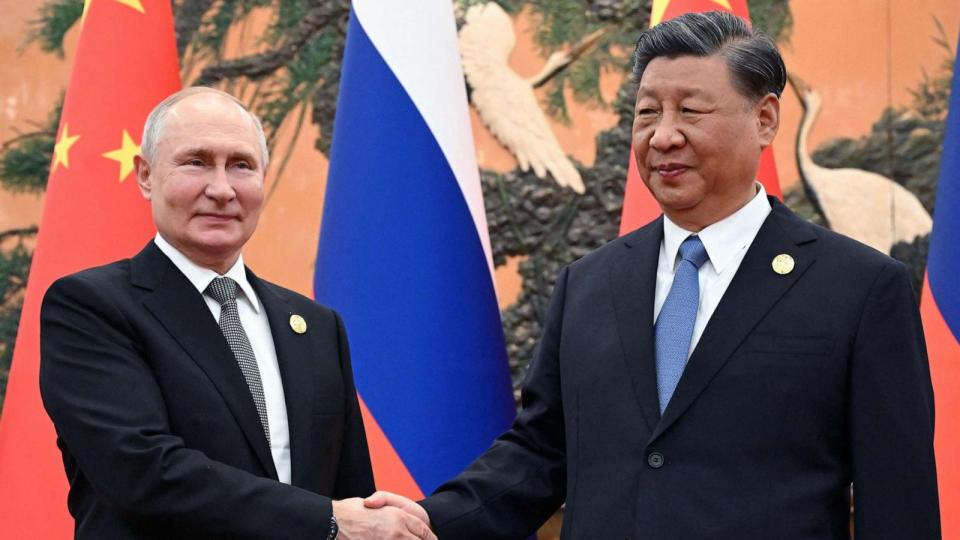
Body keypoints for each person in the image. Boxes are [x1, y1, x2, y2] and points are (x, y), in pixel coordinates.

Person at [365, 11, 941, 539]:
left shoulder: (859, 288)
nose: (663, 135)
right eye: (647, 113)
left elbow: (899, 497)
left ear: (764, 119)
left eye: (690, 111)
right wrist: (421, 525)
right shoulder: (589, 284)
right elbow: (540, 453)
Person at [39, 87, 435, 540]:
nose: (222, 189)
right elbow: (142, 473)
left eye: (241, 165)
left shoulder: (317, 326)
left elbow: (351, 497)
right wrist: (325, 521)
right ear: (146, 176)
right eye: (197, 162)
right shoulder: (91, 306)